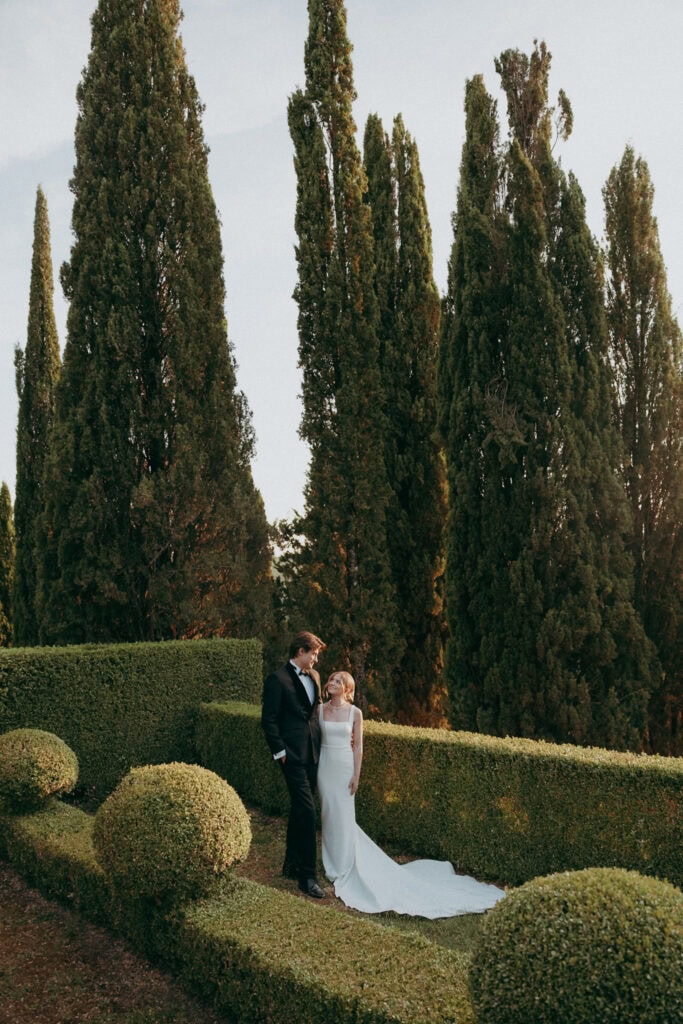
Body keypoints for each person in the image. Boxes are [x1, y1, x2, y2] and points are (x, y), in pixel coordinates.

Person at [317, 670, 506, 918]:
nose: (332, 683)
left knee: (343, 816)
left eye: (338, 681)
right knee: (327, 814)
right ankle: (330, 860)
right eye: (331, 679)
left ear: (348, 688)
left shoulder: (355, 713)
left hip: (343, 768)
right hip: (324, 767)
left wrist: (356, 776)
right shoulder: (319, 710)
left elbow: (359, 747)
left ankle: (343, 866)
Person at [261, 630, 327, 899]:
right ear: (300, 651)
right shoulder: (277, 679)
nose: (316, 660)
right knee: (308, 812)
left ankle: (290, 864)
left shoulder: (315, 677)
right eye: (314, 654)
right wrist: (280, 752)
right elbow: (269, 719)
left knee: (300, 810)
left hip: (313, 754)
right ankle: (307, 876)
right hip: (291, 757)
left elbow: (315, 714)